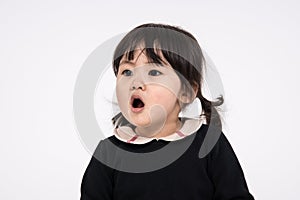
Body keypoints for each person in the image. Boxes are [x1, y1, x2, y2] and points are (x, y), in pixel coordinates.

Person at [80, 23, 255, 200]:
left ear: (187, 91)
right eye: (127, 72)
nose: (136, 82)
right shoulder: (108, 153)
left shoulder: (209, 143)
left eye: (154, 72)